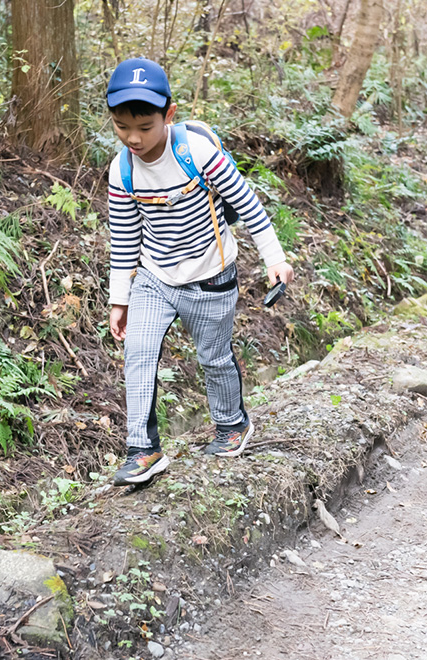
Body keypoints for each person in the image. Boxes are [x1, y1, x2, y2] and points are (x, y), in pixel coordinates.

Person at [105, 57, 295, 486]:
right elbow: (124, 238)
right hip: (155, 276)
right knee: (137, 353)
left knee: (213, 358)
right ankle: (143, 450)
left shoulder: (198, 154)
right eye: (121, 126)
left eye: (144, 126)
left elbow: (247, 205)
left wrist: (274, 259)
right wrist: (120, 299)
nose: (132, 137)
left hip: (211, 275)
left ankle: (233, 425)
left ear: (168, 115)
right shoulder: (122, 170)